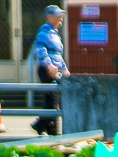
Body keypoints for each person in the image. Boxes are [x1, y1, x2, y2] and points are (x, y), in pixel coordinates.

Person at [32, 5, 69, 136]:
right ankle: (40, 124)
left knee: (51, 100)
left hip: (55, 70)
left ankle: (50, 130)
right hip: (47, 70)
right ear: (49, 17)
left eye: (62, 15)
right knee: (53, 100)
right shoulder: (45, 31)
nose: (61, 18)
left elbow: (58, 55)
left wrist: (64, 69)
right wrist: (49, 65)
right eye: (58, 15)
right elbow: (40, 48)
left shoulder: (55, 33)